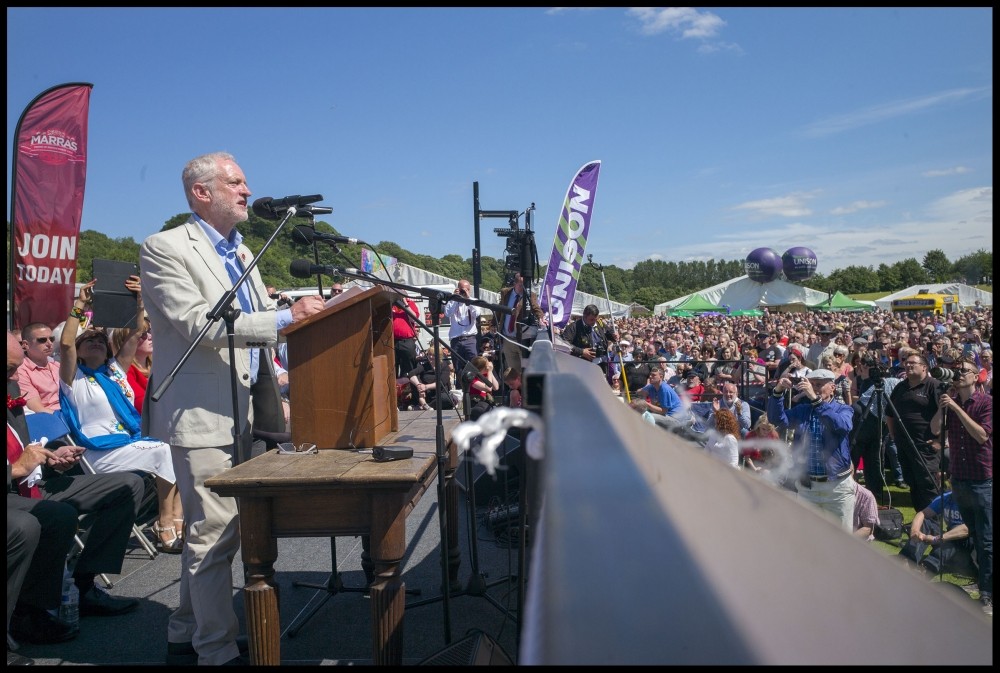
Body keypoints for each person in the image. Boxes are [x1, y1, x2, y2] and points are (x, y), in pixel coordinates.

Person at [140, 151, 326, 665]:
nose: (248, 191)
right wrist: (285, 317)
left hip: (247, 410)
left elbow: (259, 321)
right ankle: (216, 651)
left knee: (214, 529)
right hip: (202, 414)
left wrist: (300, 323)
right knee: (214, 533)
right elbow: (198, 323)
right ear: (201, 193)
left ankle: (185, 631)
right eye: (236, 182)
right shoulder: (164, 248)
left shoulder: (242, 251)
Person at [7, 331, 144, 645]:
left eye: (16, 367)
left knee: (127, 486)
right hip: (14, 488)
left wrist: (50, 457)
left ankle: (84, 585)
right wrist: (17, 469)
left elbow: (20, 446)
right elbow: (16, 464)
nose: (16, 375)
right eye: (10, 369)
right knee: (53, 517)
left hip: (33, 482)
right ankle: (28, 611)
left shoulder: (10, 387)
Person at [58, 280, 183, 555]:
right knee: (164, 449)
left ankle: (177, 513)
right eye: (88, 340)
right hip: (97, 452)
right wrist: (80, 304)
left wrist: (139, 301)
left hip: (127, 443)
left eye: (100, 340)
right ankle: (165, 521)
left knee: (179, 443)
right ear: (78, 351)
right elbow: (65, 343)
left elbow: (136, 333)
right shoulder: (74, 378)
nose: (95, 342)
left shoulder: (114, 371)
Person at [930, 356, 992, 616]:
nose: (959, 375)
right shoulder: (950, 402)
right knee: (974, 537)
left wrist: (956, 408)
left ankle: (987, 594)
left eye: (964, 371)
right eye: (957, 371)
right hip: (960, 478)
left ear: (976, 376)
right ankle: (981, 583)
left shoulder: (986, 403)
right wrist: (943, 407)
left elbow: (982, 435)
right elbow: (935, 429)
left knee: (987, 540)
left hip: (982, 480)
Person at [767, 368, 856, 532]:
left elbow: (842, 426)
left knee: (842, 540)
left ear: (832, 388)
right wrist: (778, 392)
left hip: (837, 488)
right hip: (808, 487)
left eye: (819, 384)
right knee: (808, 540)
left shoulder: (843, 409)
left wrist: (816, 400)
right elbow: (776, 419)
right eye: (812, 384)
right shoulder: (803, 410)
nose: (813, 388)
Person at [885, 354, 942, 514]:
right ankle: (920, 518)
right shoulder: (900, 387)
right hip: (904, 444)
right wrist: (893, 434)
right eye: (906, 362)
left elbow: (946, 414)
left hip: (926, 445)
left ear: (924, 367)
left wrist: (941, 440)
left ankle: (932, 522)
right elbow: (889, 413)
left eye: (913, 363)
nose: (908, 365)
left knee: (928, 484)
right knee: (912, 482)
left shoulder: (934, 386)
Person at [898, 488, 976, 579]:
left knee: (953, 536)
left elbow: (967, 529)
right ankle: (907, 560)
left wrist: (937, 538)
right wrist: (915, 531)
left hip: (969, 545)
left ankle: (926, 569)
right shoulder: (947, 497)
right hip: (949, 538)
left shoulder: (974, 500)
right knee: (926, 523)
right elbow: (922, 513)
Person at [495, 272, 546, 376]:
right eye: (521, 285)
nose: (524, 288)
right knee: (514, 372)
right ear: (515, 283)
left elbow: (536, 308)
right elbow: (500, 309)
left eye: (526, 285)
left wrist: (541, 318)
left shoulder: (530, 295)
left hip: (521, 340)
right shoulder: (505, 293)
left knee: (525, 370)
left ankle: (525, 385)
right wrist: (493, 323)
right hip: (507, 339)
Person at [109, 316, 153, 414]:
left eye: (150, 331)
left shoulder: (158, 365)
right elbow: (142, 405)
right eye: (143, 334)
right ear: (127, 341)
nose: (150, 337)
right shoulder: (126, 372)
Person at [15, 323, 63, 413]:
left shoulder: (57, 365)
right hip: (52, 417)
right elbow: (37, 409)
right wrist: (66, 417)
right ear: (25, 344)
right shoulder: (21, 372)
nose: (49, 343)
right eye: (42, 340)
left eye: (51, 339)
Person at [444, 279, 482, 388]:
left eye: (466, 289)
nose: (463, 292)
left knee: (474, 366)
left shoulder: (473, 301)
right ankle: (461, 392)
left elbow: (477, 313)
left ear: (469, 290)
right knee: (458, 368)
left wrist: (467, 298)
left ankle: (474, 390)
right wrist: (455, 298)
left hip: (470, 339)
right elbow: (447, 313)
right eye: (461, 289)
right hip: (456, 340)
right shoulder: (453, 300)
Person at [561, 304, 614, 376]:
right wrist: (581, 351)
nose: (594, 322)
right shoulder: (573, 327)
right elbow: (564, 344)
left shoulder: (599, 323)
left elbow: (609, 333)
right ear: (584, 316)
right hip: (583, 365)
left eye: (596, 319)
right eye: (591, 320)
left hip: (602, 364)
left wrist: (613, 335)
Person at [407, 345, 453, 411]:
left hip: (439, 394)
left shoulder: (444, 367)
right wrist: (418, 385)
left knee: (447, 399)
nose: (431, 357)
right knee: (415, 379)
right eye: (429, 354)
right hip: (425, 395)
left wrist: (426, 387)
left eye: (433, 355)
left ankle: (424, 406)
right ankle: (424, 404)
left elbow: (441, 383)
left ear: (439, 356)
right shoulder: (424, 366)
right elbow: (411, 373)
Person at [391, 294, 420, 379]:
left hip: (406, 342)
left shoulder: (410, 303)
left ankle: (409, 386)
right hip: (391, 342)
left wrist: (405, 304)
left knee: (409, 369)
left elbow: (413, 319)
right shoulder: (389, 304)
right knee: (391, 369)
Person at [466, 355, 499, 421]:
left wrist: (490, 372)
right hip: (476, 404)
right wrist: (489, 371)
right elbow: (488, 388)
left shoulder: (485, 374)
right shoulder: (472, 378)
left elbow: (496, 387)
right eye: (486, 367)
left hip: (486, 402)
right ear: (480, 368)